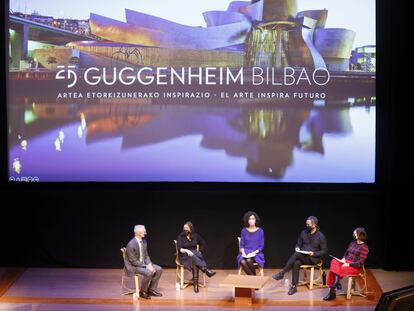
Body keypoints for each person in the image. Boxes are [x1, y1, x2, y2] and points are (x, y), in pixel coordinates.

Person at [272, 216, 328, 295]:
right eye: (306, 224)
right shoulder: (303, 232)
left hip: (313, 259)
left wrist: (314, 253)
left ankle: (282, 273)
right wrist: (297, 248)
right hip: (303, 256)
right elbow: (298, 244)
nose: (307, 226)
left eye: (309, 225)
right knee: (296, 262)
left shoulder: (320, 236)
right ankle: (294, 286)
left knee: (297, 255)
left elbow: (325, 251)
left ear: (314, 225)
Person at [323, 227, 369, 301]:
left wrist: (349, 264)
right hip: (346, 262)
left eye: (355, 233)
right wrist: (344, 258)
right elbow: (346, 253)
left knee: (334, 271)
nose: (353, 235)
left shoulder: (364, 247)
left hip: (354, 266)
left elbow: (360, 263)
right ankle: (336, 282)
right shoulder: (352, 243)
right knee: (334, 261)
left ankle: (332, 292)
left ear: (360, 235)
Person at [125, 225, 163, 299]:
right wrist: (146, 266)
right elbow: (133, 261)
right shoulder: (131, 244)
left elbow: (146, 256)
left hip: (142, 263)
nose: (145, 232)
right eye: (144, 231)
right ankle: (143, 291)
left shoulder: (144, 241)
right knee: (148, 272)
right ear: (138, 232)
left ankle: (151, 289)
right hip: (134, 266)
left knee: (159, 269)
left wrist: (149, 264)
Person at [177, 221, 216, 293]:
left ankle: (196, 284)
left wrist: (200, 251)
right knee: (193, 258)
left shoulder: (195, 236)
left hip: (194, 255)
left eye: (187, 228)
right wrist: (186, 251)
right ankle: (205, 269)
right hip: (184, 256)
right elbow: (180, 249)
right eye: (184, 228)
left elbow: (203, 243)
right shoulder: (180, 237)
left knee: (194, 260)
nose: (185, 230)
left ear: (191, 229)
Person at [237, 211, 265, 275]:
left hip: (256, 253)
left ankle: (253, 279)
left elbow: (261, 246)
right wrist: (243, 252)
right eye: (249, 219)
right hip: (245, 252)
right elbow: (242, 245)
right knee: (242, 261)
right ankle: (254, 278)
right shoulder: (244, 230)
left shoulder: (260, 231)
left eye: (253, 218)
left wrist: (254, 252)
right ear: (247, 220)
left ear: (256, 220)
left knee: (249, 260)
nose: (251, 220)